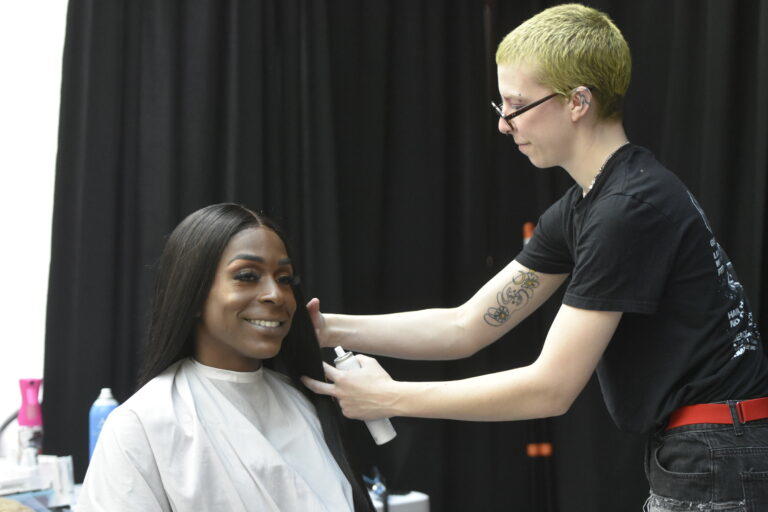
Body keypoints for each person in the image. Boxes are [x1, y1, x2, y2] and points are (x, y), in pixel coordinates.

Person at [301, 4, 768, 509]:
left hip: (718, 450)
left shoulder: (627, 209)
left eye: (517, 105)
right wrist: (326, 329)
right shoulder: (585, 206)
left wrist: (392, 398)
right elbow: (465, 327)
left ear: (578, 102)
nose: (504, 124)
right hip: (709, 446)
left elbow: (551, 388)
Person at [78, 204, 374, 512]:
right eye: (247, 276)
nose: (276, 294)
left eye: (284, 278)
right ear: (192, 293)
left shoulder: (306, 403)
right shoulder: (142, 424)